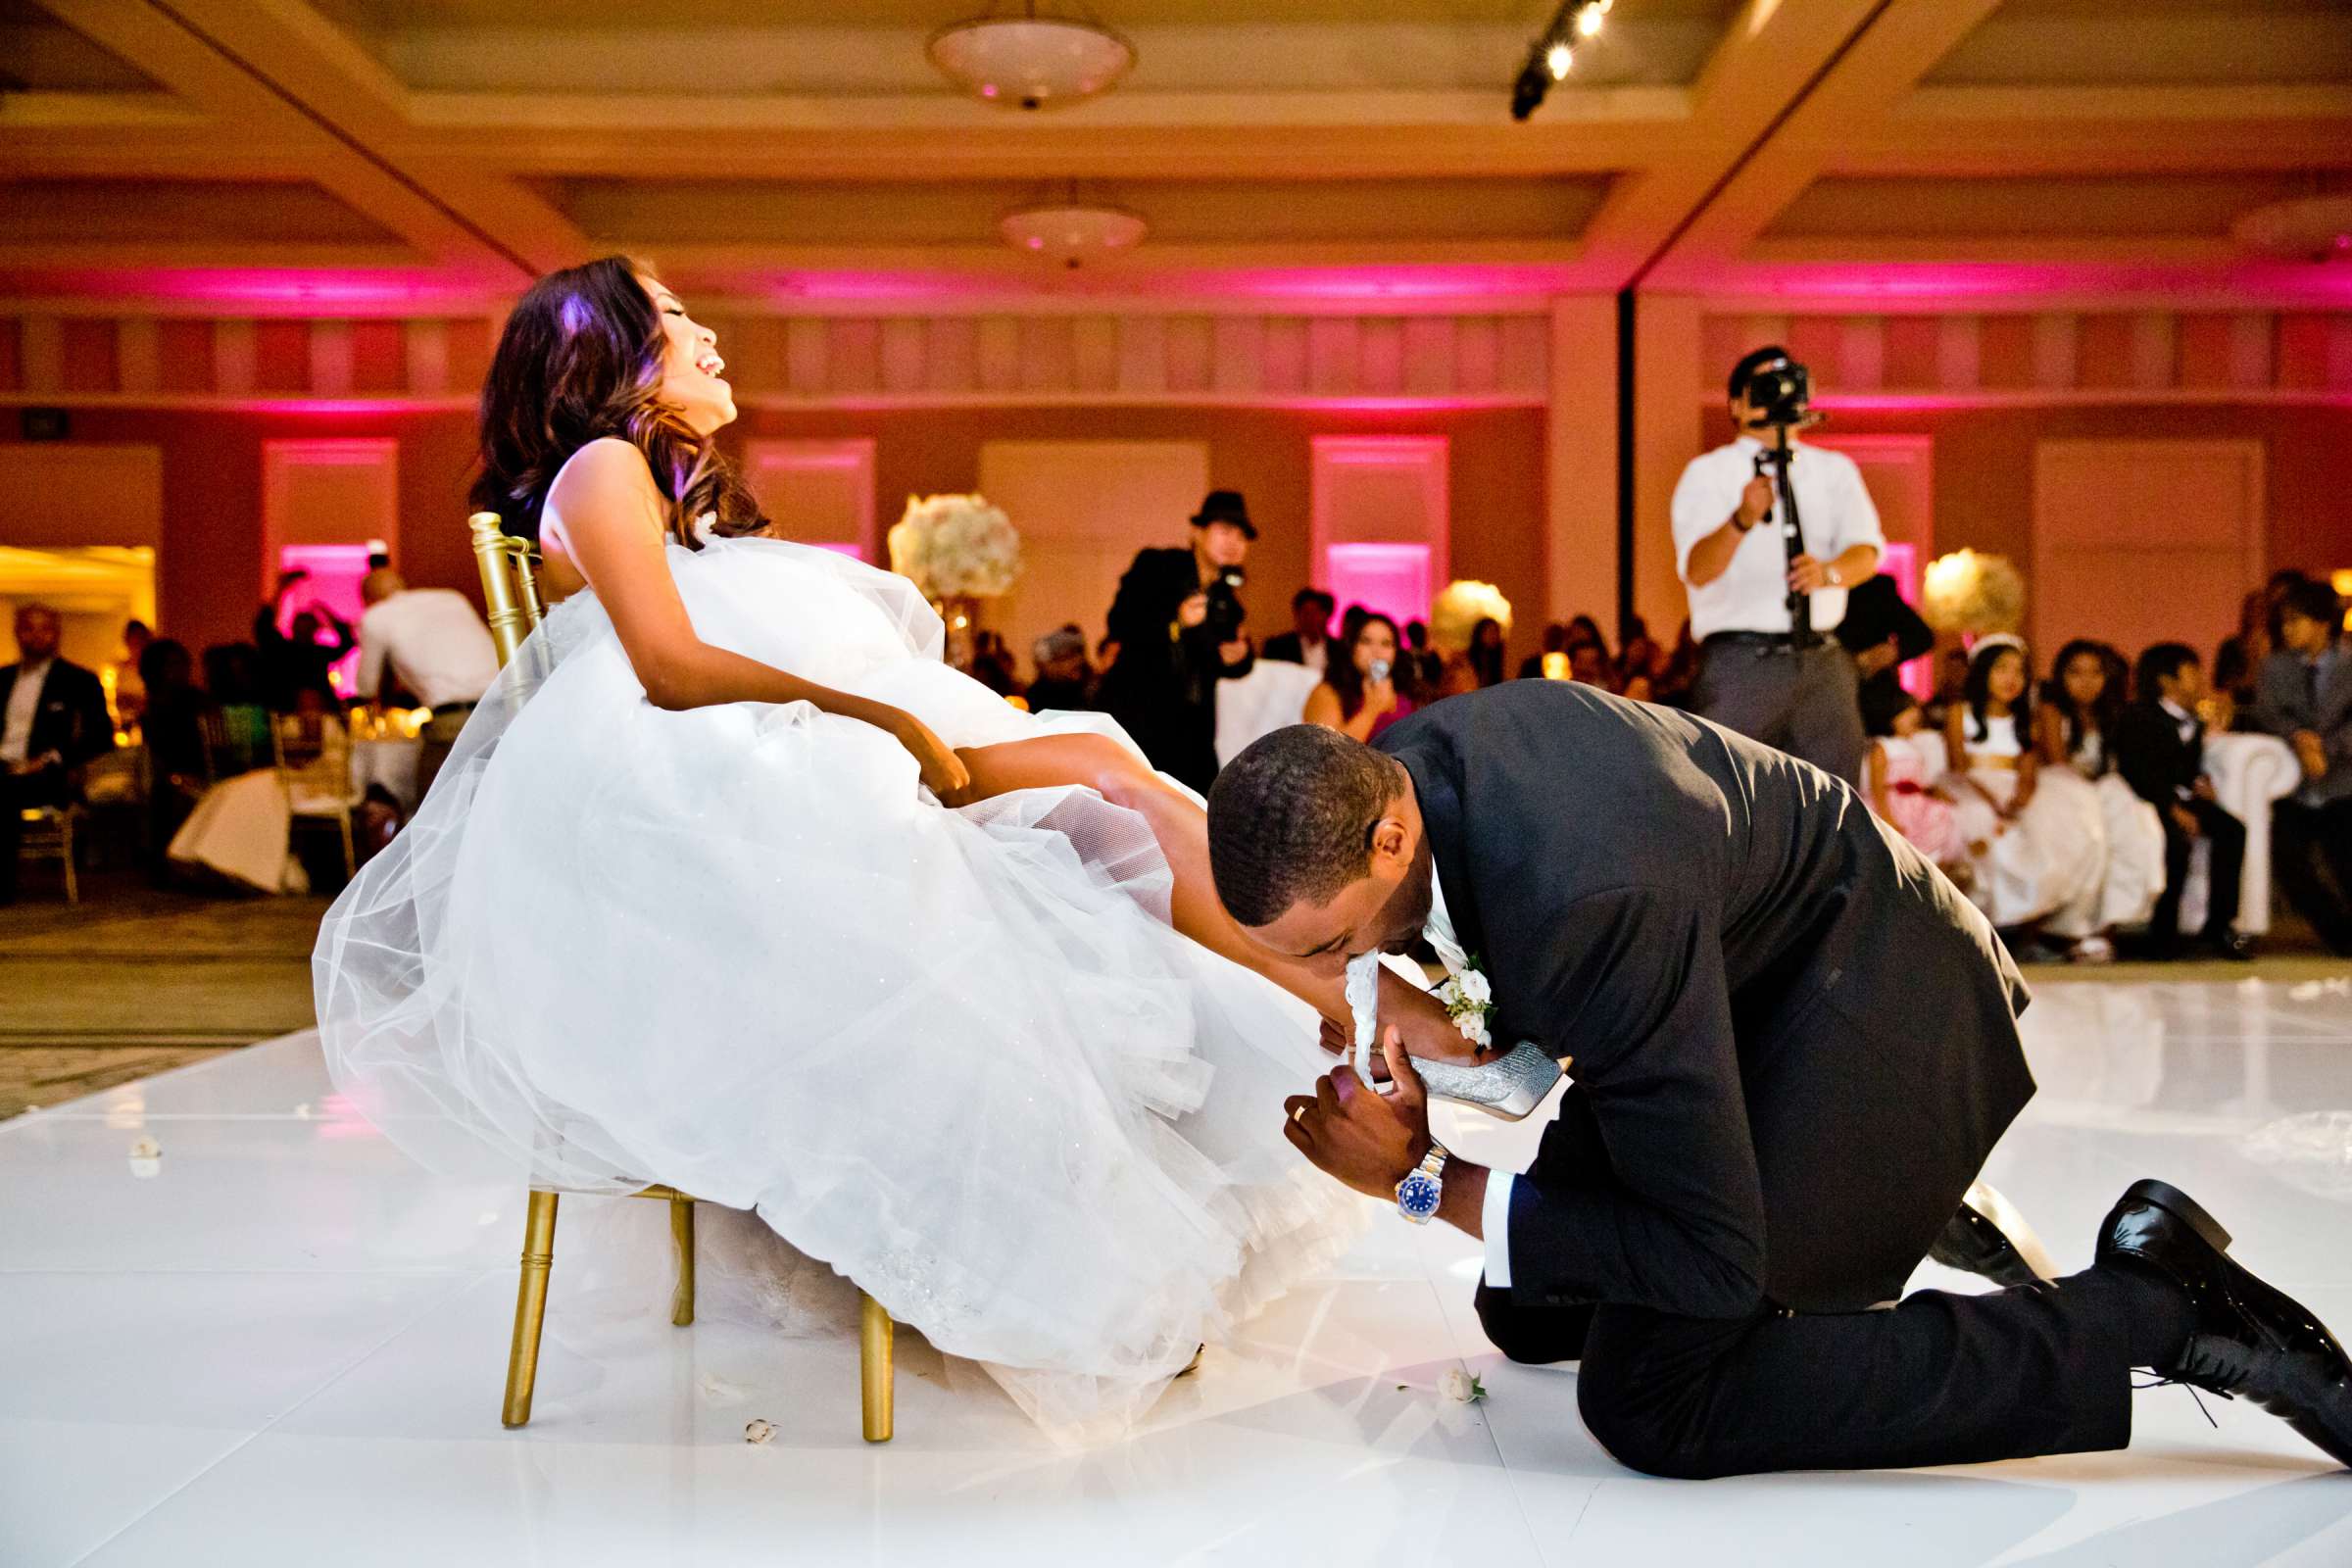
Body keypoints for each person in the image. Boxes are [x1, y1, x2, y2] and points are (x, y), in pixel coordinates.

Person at [314, 257, 1475, 1435]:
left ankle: (1339, 992)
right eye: (675, 317)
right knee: (1105, 780)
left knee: (1109, 777)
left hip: (793, 753)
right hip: (741, 787)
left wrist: (880, 715)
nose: (709, 333)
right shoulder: (602, 464)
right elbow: (667, 665)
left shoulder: (663, 494)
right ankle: (1354, 997)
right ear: (602, 354)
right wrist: (876, 714)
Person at [1204, 697, 2352, 1480]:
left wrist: (1416, 1179)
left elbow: (1710, 1261)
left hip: (1872, 1001)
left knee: (1657, 1398)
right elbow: (1546, 1023)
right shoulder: (1407, 777)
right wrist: (1434, 1034)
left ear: (1391, 836)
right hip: (1719, 990)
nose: (1331, 980)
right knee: (1528, 1304)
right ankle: (1868, 1193)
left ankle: (2161, 1304)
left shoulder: (1581, 894)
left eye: (1329, 945)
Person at [1674, 345, 1885, 781]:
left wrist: (1828, 573)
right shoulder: (1708, 473)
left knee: (1833, 794)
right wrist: (1741, 519)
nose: (1780, 394)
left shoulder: (1834, 470)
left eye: (1790, 382)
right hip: (1741, 662)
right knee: (1730, 790)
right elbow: (1697, 569)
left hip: (1822, 660)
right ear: (1736, 403)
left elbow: (1866, 551)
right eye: (1765, 384)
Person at [1943, 637, 2103, 945]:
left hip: (2012, 788)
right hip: (1972, 788)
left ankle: (2025, 924)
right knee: (1980, 823)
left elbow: (2027, 772)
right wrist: (1991, 801)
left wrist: (2022, 798)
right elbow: (1958, 768)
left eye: (2019, 671)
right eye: (2002, 669)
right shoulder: (1959, 713)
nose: (2011, 679)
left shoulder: (2026, 722)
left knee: (2050, 829)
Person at [1097, 488, 1257, 793]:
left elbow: (1228, 661)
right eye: (1224, 531)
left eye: (1241, 536)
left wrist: (1240, 657)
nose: (1233, 542)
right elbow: (1121, 622)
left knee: (1197, 806)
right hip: (1140, 712)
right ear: (1197, 532)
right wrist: (1176, 622)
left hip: (1192, 728)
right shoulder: (1157, 567)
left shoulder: (1226, 599)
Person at [2113, 644, 2254, 960]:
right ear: (2168, 680)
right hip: (2146, 800)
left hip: (2181, 796)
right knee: (2175, 843)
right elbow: (2136, 772)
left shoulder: (2194, 720)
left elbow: (2184, 767)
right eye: (2193, 672)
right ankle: (2163, 933)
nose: (2201, 679)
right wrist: (2172, 808)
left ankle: (2220, 925)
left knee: (2233, 830)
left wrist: (2198, 785)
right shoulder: (2138, 716)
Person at [2035, 640, 2167, 960]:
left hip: (2102, 787)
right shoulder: (2052, 710)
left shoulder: (2112, 714)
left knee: (2138, 824)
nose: (2087, 681)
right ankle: (2070, 930)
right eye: (2076, 673)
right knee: (2091, 832)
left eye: (2095, 673)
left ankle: (2107, 926)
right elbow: (2057, 762)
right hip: (2062, 787)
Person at [2256, 577, 2352, 954]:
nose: (2287, 629)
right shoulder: (2274, 668)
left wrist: (2326, 748)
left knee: (2346, 862)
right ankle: (2341, 937)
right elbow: (2268, 714)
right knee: (2290, 863)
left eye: (2296, 620)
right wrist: (2299, 736)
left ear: (2322, 623)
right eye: (2284, 621)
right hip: (2292, 783)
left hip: (2343, 779)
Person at [0, 603, 115, 903]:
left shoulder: (78, 681)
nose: (36, 637)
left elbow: (101, 735)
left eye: (44, 629)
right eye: (28, 629)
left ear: (56, 634)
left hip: (48, 774)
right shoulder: (2, 680)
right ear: (17, 633)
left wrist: (52, 758)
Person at [355, 566, 500, 801]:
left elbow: (367, 687)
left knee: (430, 806)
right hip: (509, 706)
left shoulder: (376, 616)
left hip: (456, 720)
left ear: (368, 600)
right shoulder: (452, 598)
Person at [1861, 683, 1964, 878]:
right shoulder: (1883, 747)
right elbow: (1877, 785)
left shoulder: (1915, 746)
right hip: (1894, 805)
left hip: (1915, 805)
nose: (1914, 716)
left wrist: (1936, 793)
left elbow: (1920, 783)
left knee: (1941, 820)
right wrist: (1886, 816)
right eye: (1906, 712)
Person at [1836, 573, 1935, 727]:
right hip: (1812, 694)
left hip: (1867, 700)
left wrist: (1884, 654)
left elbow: (1921, 636)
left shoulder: (1872, 588)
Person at [1302, 612, 1415, 744]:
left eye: (1386, 643)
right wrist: (1371, 710)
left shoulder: (1406, 692)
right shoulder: (1329, 692)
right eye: (1366, 641)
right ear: (1352, 647)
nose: (1377, 651)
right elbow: (1329, 754)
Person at [254, 571, 355, 711]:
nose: (304, 630)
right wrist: (326, 613)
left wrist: (282, 589)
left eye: (307, 625)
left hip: (301, 711)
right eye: (302, 625)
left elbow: (263, 625)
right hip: (290, 711)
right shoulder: (285, 649)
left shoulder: (288, 649)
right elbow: (263, 626)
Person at [1023, 623, 1097, 713]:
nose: (1077, 661)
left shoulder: (1090, 688)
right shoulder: (1037, 694)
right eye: (1067, 657)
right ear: (1050, 664)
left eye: (1078, 655)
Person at [1261, 588, 1336, 672]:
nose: (1310, 618)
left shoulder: (1338, 650)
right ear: (1297, 614)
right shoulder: (1278, 647)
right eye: (1306, 612)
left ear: (1326, 615)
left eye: (1316, 612)